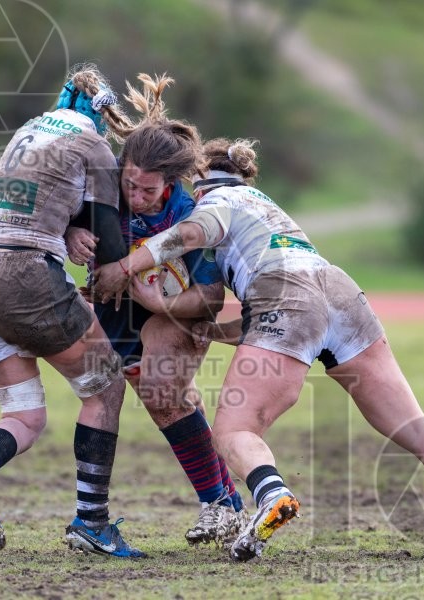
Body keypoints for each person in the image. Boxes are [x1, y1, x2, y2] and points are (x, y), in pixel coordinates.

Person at [93, 137, 424, 561]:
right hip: (339, 291)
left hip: (286, 295)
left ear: (201, 181)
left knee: (232, 432)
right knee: (412, 425)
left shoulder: (216, 201)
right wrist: (212, 331)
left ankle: (272, 494)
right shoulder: (266, 206)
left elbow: (194, 233)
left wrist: (127, 267)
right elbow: (274, 324)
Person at [0, 64, 147, 558]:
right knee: (106, 385)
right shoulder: (93, 144)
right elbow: (110, 238)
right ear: (101, 114)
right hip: (25, 276)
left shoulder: (29, 129)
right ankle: (92, 522)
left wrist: (66, 231)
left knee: (24, 413)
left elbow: (35, 200)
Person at [65, 74, 247, 545]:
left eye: (148, 191)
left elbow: (210, 299)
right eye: (130, 186)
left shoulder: (189, 213)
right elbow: (61, 214)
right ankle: (231, 506)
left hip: (175, 313)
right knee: (166, 403)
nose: (136, 197)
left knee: (163, 390)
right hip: (113, 314)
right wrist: (73, 236)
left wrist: (156, 301)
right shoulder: (103, 184)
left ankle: (216, 505)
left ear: (170, 184)